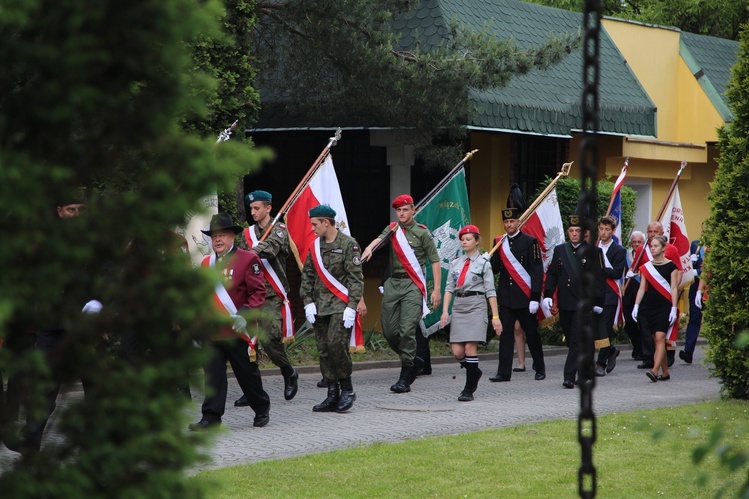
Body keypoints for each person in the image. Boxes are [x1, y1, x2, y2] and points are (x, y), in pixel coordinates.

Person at [5, 190, 100, 455]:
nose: (77, 216)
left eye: (80, 210)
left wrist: (99, 300)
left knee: (93, 383)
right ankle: (31, 440)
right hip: (51, 323)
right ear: (59, 211)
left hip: (82, 323)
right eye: (71, 210)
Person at [189, 213, 270, 431]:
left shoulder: (247, 259)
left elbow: (258, 294)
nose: (217, 240)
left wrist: (245, 316)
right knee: (213, 376)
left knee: (247, 374)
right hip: (213, 332)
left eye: (222, 235)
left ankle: (261, 407)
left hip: (238, 329)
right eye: (214, 236)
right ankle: (211, 416)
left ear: (232, 237)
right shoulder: (207, 264)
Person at [361, 194, 440, 393]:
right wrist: (369, 249)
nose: (402, 213)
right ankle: (413, 359)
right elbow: (378, 240)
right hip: (393, 283)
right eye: (399, 210)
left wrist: (436, 290)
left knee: (406, 330)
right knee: (388, 330)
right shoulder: (393, 229)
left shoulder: (422, 233)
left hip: (412, 285)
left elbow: (435, 261)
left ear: (413, 210)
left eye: (405, 209)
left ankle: (405, 376)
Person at [234, 190, 298, 406]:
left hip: (272, 292)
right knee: (247, 341)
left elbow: (270, 250)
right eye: (251, 209)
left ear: (268, 208)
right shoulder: (246, 234)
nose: (253, 212)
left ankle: (288, 371)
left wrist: (250, 251)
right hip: (251, 292)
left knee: (269, 339)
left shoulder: (279, 230)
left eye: (257, 208)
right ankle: (252, 388)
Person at [300, 205, 364, 412]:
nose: (312, 228)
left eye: (315, 224)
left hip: (340, 306)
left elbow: (356, 279)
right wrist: (307, 301)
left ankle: (347, 390)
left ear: (326, 222)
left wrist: (352, 306)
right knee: (324, 349)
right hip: (319, 306)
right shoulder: (315, 247)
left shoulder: (348, 244)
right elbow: (307, 276)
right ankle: (332, 393)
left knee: (336, 345)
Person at [543, 215, 605, 389]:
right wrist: (548, 294)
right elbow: (553, 274)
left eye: (577, 231)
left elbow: (599, 280)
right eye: (571, 231)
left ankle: (569, 376)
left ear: (584, 233)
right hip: (565, 302)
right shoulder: (560, 250)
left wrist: (598, 302)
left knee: (577, 340)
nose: (574, 234)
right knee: (573, 341)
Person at [440, 225, 500, 401]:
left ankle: (468, 389)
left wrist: (495, 317)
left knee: (469, 348)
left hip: (476, 305)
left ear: (477, 241)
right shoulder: (455, 263)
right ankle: (475, 372)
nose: (464, 242)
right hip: (459, 305)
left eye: (468, 239)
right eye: (462, 239)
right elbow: (449, 288)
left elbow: (491, 291)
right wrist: (445, 311)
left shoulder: (483, 263)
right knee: (458, 352)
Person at [488, 206, 546, 382]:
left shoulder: (530, 242)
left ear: (519, 222)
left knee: (532, 333)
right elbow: (496, 269)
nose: (509, 224)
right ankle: (503, 372)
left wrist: (535, 297)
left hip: (525, 297)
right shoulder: (499, 242)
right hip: (506, 297)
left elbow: (537, 270)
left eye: (512, 221)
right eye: (506, 222)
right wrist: (487, 262)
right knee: (505, 335)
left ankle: (540, 368)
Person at [630, 221, 683, 369]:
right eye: (650, 231)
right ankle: (649, 358)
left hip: (664, 294)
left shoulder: (671, 250)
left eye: (655, 232)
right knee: (647, 330)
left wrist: (674, 290)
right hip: (646, 294)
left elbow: (678, 271)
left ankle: (662, 362)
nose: (652, 235)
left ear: (661, 233)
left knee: (661, 333)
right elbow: (635, 267)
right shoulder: (642, 249)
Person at [594, 215, 627, 376]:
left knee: (604, 329)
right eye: (601, 229)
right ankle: (611, 350)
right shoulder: (593, 247)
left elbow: (616, 273)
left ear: (613, 231)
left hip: (610, 293)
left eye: (607, 229)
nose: (603, 232)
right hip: (593, 294)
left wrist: (600, 267)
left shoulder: (619, 250)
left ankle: (600, 363)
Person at [680, 236, 705, 364]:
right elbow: (686, 263)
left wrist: (698, 271)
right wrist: (691, 263)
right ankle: (688, 351)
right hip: (696, 287)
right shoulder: (696, 244)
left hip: (711, 287)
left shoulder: (719, 245)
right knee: (695, 317)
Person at [622, 231, 646, 360]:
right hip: (628, 293)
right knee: (628, 322)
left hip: (641, 292)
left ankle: (640, 349)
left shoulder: (647, 255)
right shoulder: (626, 255)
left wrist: (637, 274)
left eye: (639, 242)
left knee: (642, 322)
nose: (636, 244)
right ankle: (637, 345)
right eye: (634, 242)